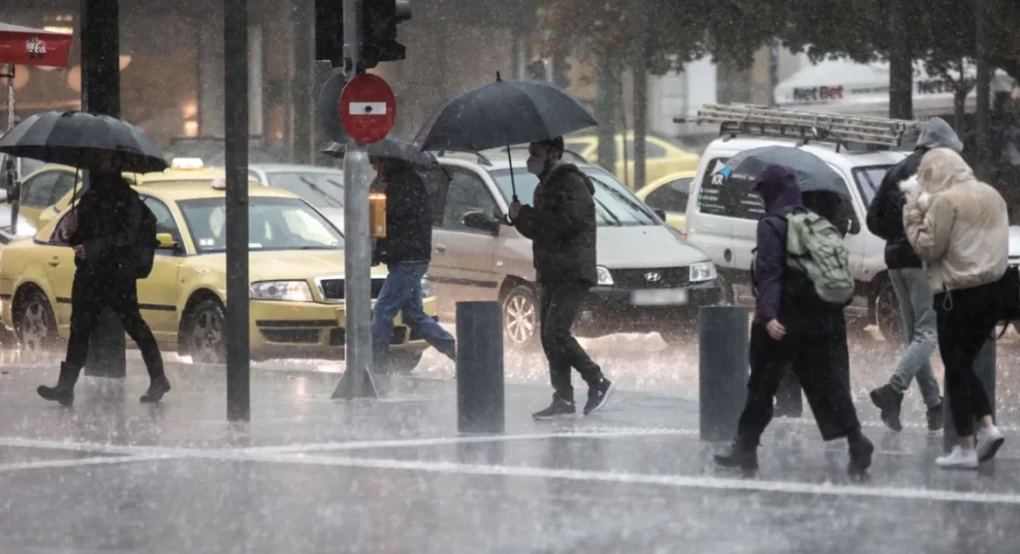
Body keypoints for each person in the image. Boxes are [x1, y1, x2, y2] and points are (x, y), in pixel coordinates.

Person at [714, 165, 873, 475]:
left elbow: (770, 273)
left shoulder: (772, 225)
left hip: (784, 322)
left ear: (770, 192)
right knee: (828, 383)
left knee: (761, 386)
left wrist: (769, 316)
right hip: (820, 319)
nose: (760, 199)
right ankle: (857, 440)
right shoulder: (815, 222)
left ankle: (744, 449)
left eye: (762, 192)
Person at [903, 148, 1008, 469]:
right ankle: (984, 429)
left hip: (957, 295)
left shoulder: (947, 201)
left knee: (957, 368)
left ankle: (969, 443)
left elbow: (928, 247)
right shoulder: (992, 195)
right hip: (994, 293)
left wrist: (912, 214)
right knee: (963, 365)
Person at [37, 165, 170, 406]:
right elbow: (84, 237)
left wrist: (93, 248)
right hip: (90, 274)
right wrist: (72, 233)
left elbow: (126, 238)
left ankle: (159, 378)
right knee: (80, 328)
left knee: (133, 323)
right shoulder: (90, 197)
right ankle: (66, 386)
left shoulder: (127, 200)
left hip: (117, 276)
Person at [866, 118, 963, 432]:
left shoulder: (897, 169)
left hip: (894, 260)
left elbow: (873, 218)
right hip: (922, 259)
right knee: (928, 332)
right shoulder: (937, 168)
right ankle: (893, 390)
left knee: (915, 336)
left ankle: (935, 407)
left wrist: (897, 236)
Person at [509, 137, 614, 419]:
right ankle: (563, 398)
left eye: (535, 153)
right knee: (548, 336)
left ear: (553, 153)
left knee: (556, 332)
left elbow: (563, 225)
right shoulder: (546, 185)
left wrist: (528, 215)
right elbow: (541, 231)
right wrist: (519, 217)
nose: (530, 158)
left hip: (572, 271)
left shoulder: (569, 183)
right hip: (551, 271)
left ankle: (597, 380)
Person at [370, 156, 456, 371]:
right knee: (413, 315)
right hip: (408, 257)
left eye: (375, 161)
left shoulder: (403, 184)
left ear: (388, 161)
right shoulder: (401, 182)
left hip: (409, 258)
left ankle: (375, 364)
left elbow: (389, 220)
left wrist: (379, 195)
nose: (373, 166)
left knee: (383, 309)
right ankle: (458, 354)